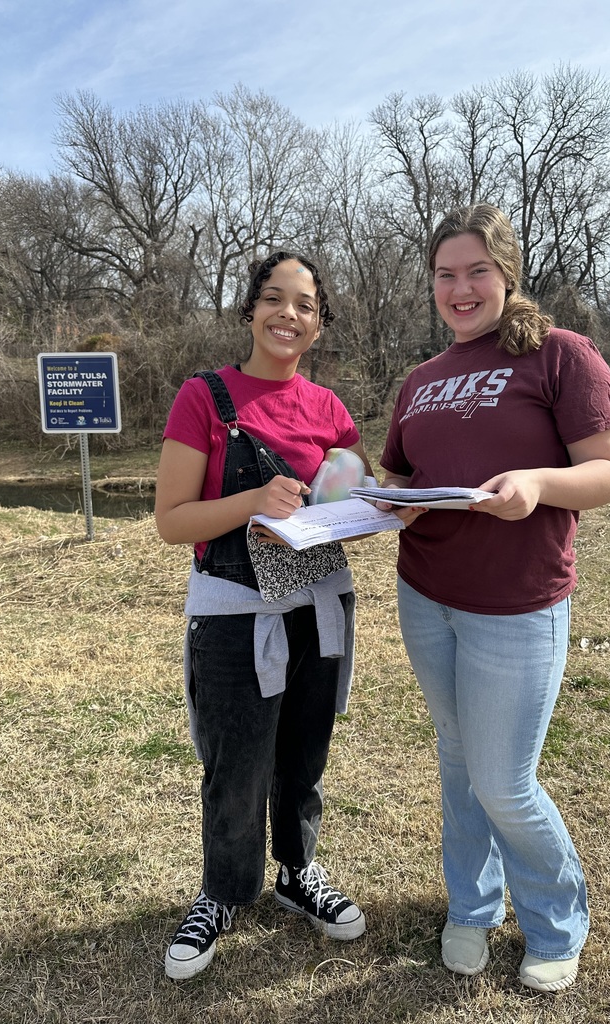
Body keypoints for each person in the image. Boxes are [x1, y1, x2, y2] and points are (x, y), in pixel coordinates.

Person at [377, 205, 610, 993]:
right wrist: (388, 499)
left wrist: (538, 483)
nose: (461, 289)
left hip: (517, 604)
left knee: (504, 779)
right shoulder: (420, 380)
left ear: (506, 274)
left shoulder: (560, 356)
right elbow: (404, 478)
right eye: (445, 275)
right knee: (458, 761)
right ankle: (471, 905)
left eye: (476, 271)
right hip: (427, 595)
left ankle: (557, 920)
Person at [155, 250, 373, 981]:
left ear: (319, 323)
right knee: (236, 766)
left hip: (319, 610)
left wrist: (372, 506)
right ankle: (221, 893)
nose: (289, 314)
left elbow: (353, 500)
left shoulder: (331, 410)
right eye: (275, 299)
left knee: (303, 758)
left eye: (305, 304)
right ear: (249, 309)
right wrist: (253, 502)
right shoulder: (204, 397)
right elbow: (172, 520)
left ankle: (296, 872)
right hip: (235, 615)